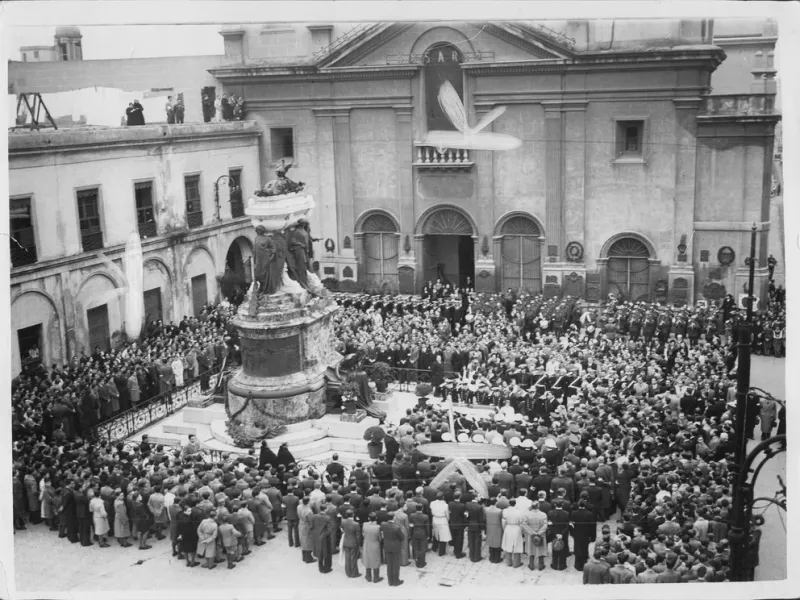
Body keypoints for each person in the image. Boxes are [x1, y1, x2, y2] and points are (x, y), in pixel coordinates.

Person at [381, 512, 405, 587]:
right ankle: (396, 581)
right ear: (394, 517)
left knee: (389, 565)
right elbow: (402, 537)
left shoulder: (383, 524)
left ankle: (390, 581)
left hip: (387, 546)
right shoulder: (397, 527)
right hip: (395, 547)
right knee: (395, 565)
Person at [362, 512, 383, 583]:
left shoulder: (364, 525)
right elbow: (380, 538)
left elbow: (363, 534)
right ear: (376, 518)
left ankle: (368, 576)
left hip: (367, 543)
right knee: (376, 560)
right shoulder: (377, 527)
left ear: (368, 518)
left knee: (367, 559)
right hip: (375, 544)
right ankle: (376, 577)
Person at [341, 510, 361, 578]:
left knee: (347, 557)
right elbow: (358, 536)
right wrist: (359, 544)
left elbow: (342, 529)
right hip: (353, 542)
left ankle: (348, 572)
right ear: (353, 514)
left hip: (346, 541)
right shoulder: (356, 524)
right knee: (353, 558)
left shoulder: (343, 522)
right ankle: (354, 573)